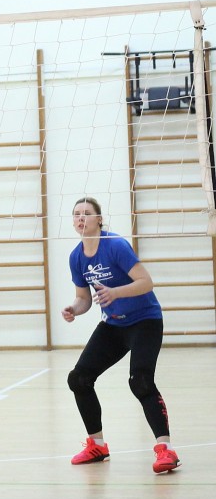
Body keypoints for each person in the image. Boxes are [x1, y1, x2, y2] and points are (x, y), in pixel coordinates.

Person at [62, 196, 179, 474]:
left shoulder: (115, 245)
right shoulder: (76, 257)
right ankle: (97, 445)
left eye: (86, 213)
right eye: (76, 214)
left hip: (145, 321)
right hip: (114, 325)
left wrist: (115, 292)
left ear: (99, 219)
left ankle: (166, 450)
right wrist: (74, 309)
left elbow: (146, 282)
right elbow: (84, 298)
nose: (81, 218)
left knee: (140, 380)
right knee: (79, 378)